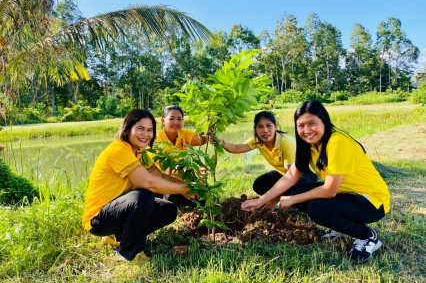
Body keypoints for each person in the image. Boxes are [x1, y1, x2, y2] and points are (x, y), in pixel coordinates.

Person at [241, 101, 391, 261]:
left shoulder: (337, 142)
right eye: (301, 125)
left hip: (371, 200)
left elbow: (329, 190)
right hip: (345, 193)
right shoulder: (308, 145)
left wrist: (292, 200)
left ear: (324, 121)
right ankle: (337, 227)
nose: (307, 130)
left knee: (316, 208)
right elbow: (291, 176)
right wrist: (261, 200)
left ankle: (367, 236)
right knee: (296, 189)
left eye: (312, 123)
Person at [82, 109, 194, 263]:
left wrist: (188, 185)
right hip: (99, 219)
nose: (145, 134)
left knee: (168, 209)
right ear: (128, 128)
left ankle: (117, 237)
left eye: (150, 130)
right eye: (140, 128)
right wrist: (183, 189)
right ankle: (129, 252)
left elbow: (159, 175)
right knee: (143, 196)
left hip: (118, 210)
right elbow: (149, 182)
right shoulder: (118, 150)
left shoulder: (140, 153)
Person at [211, 111, 317, 209]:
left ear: (275, 127)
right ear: (256, 129)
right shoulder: (257, 140)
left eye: (268, 126)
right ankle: (282, 197)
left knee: (292, 190)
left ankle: (293, 202)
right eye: (260, 127)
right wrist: (222, 142)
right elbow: (237, 148)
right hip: (285, 174)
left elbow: (290, 177)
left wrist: (274, 199)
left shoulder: (287, 143)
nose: (265, 130)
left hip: (303, 175)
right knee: (259, 184)